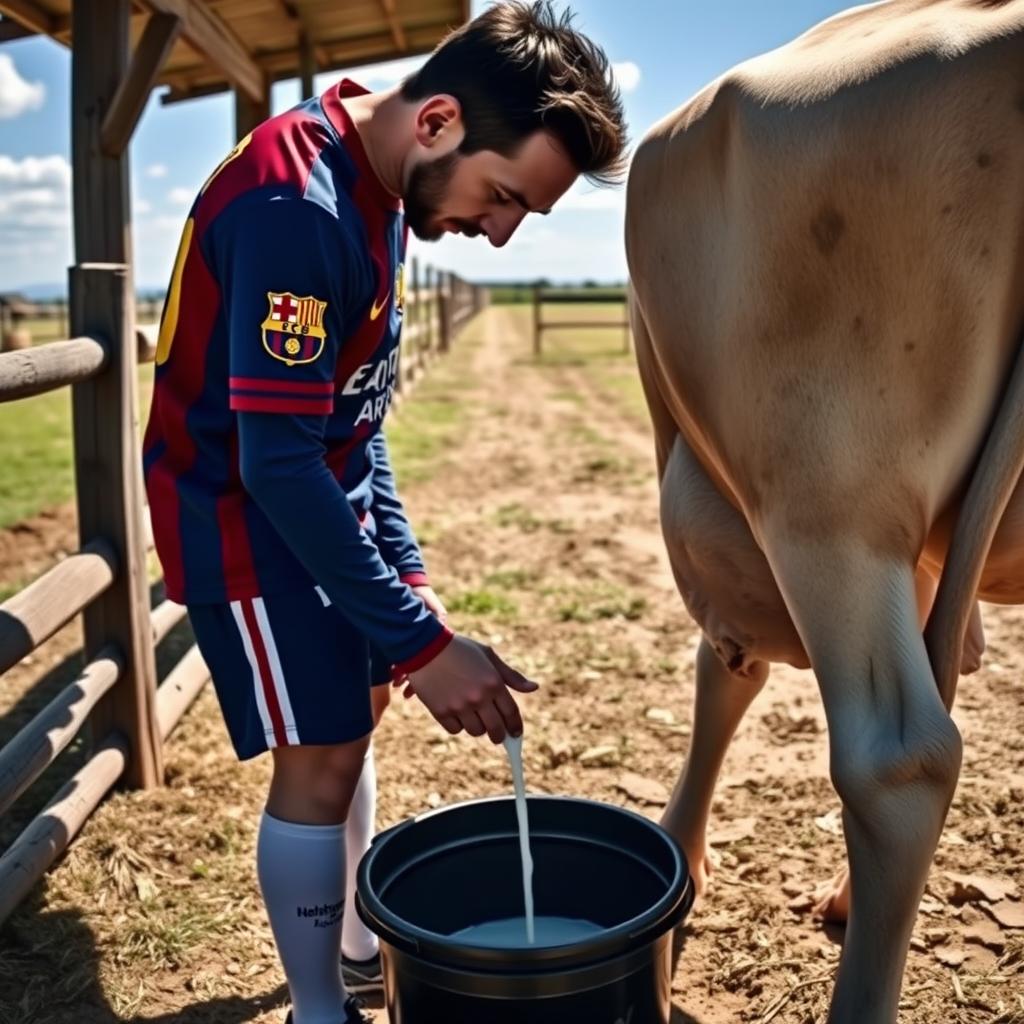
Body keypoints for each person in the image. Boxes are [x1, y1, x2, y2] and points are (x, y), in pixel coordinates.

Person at [142, 2, 628, 1021]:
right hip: (243, 523)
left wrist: (408, 586)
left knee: (352, 726)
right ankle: (322, 1008)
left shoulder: (383, 193)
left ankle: (357, 943)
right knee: (317, 757)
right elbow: (276, 463)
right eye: (502, 198)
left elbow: (354, 426)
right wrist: (421, 644)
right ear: (440, 122)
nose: (498, 235)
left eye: (520, 217)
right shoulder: (297, 209)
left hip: (318, 503)